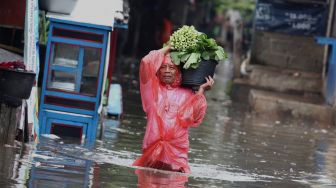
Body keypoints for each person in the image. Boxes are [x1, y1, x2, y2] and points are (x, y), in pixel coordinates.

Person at [132, 46, 214, 173]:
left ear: (178, 72)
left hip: (176, 156)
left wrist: (201, 92)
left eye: (171, 68)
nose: (167, 71)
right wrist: (169, 47)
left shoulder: (187, 93)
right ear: (158, 71)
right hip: (151, 152)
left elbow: (191, 119)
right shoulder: (151, 89)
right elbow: (146, 62)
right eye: (163, 67)